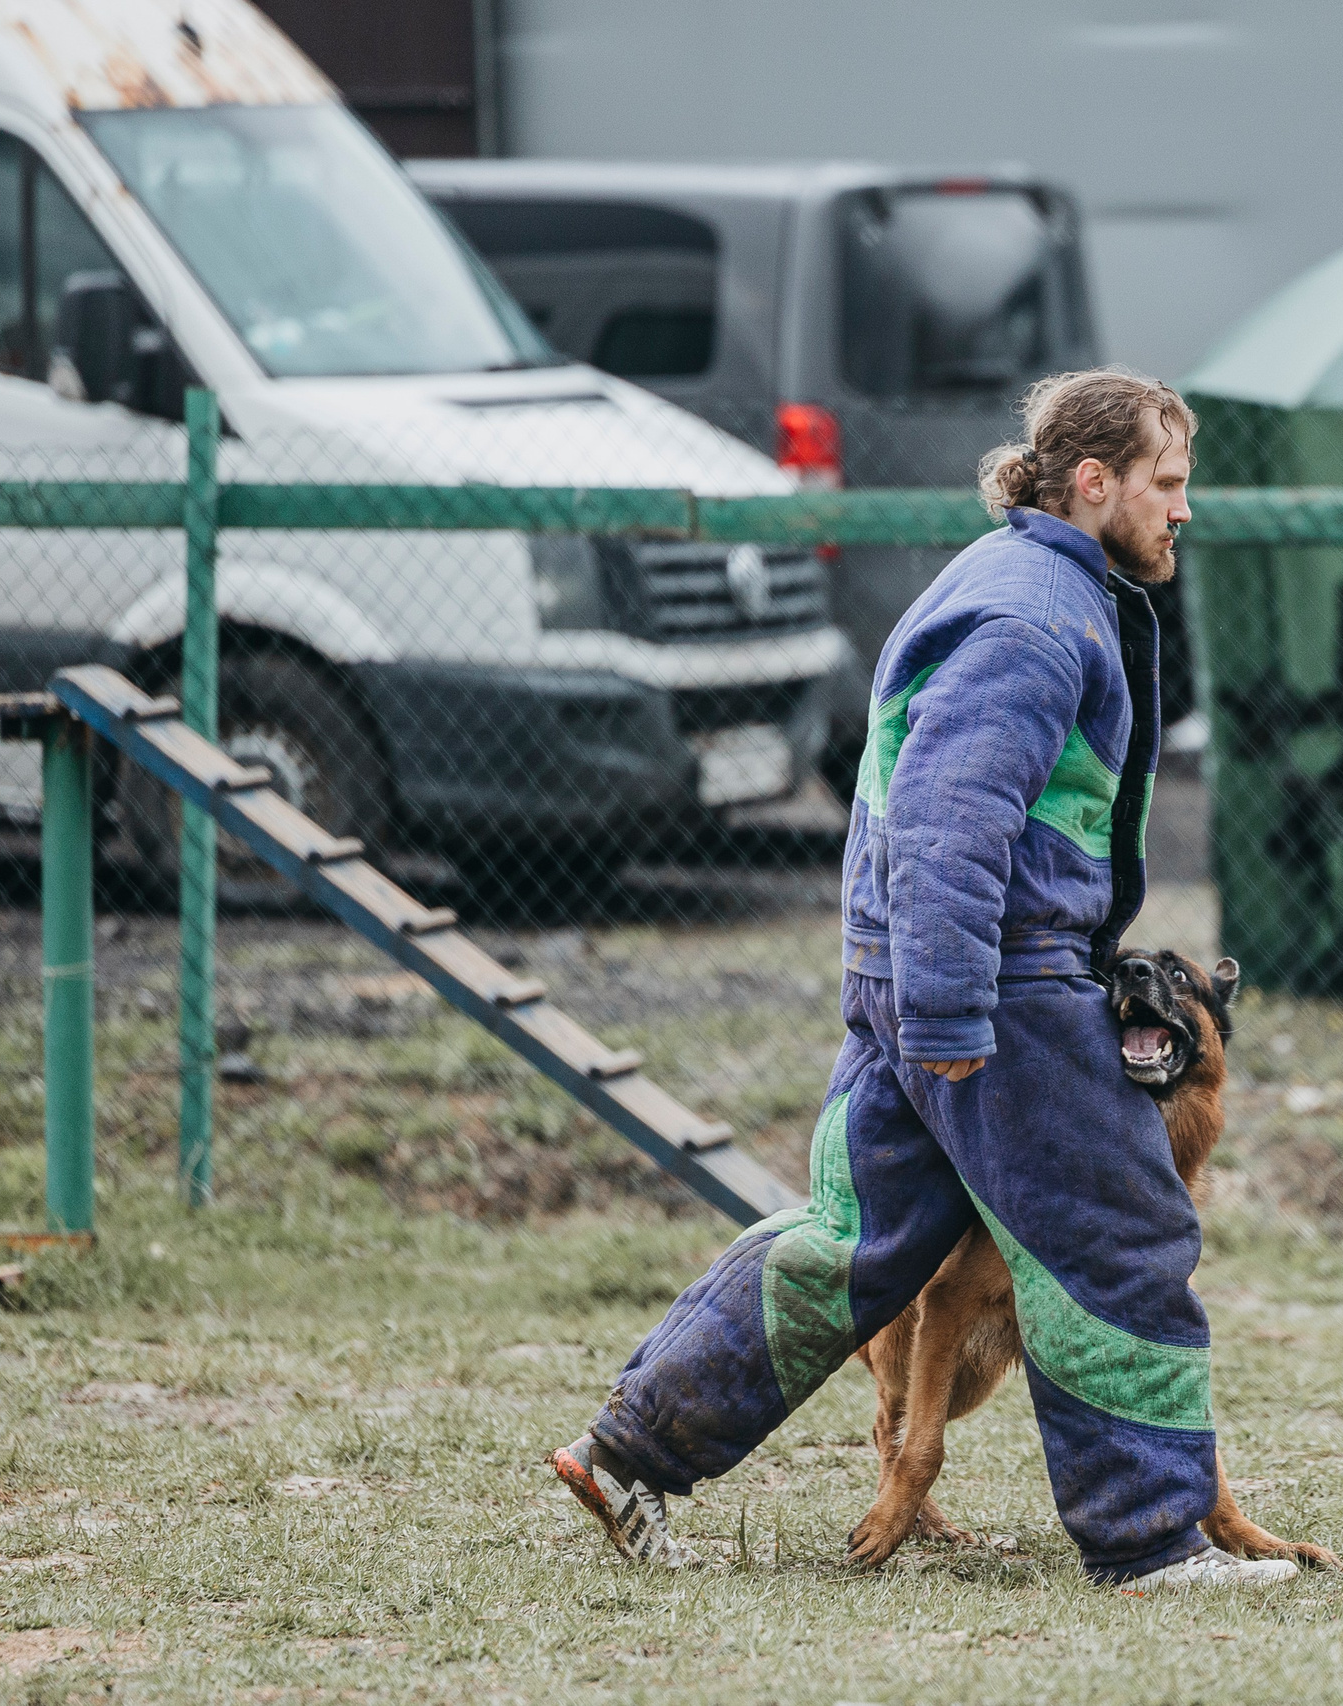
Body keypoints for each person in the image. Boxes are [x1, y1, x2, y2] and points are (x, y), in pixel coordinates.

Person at [552, 369, 1292, 1591]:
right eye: (1165, 482)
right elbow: (950, 818)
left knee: (851, 1241)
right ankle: (1150, 1538)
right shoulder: (1033, 619)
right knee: (1118, 1234)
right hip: (996, 982)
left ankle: (628, 1450)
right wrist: (951, 1002)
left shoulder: (1004, 579)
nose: (1183, 508)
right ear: (1091, 481)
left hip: (909, 971)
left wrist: (922, 991)